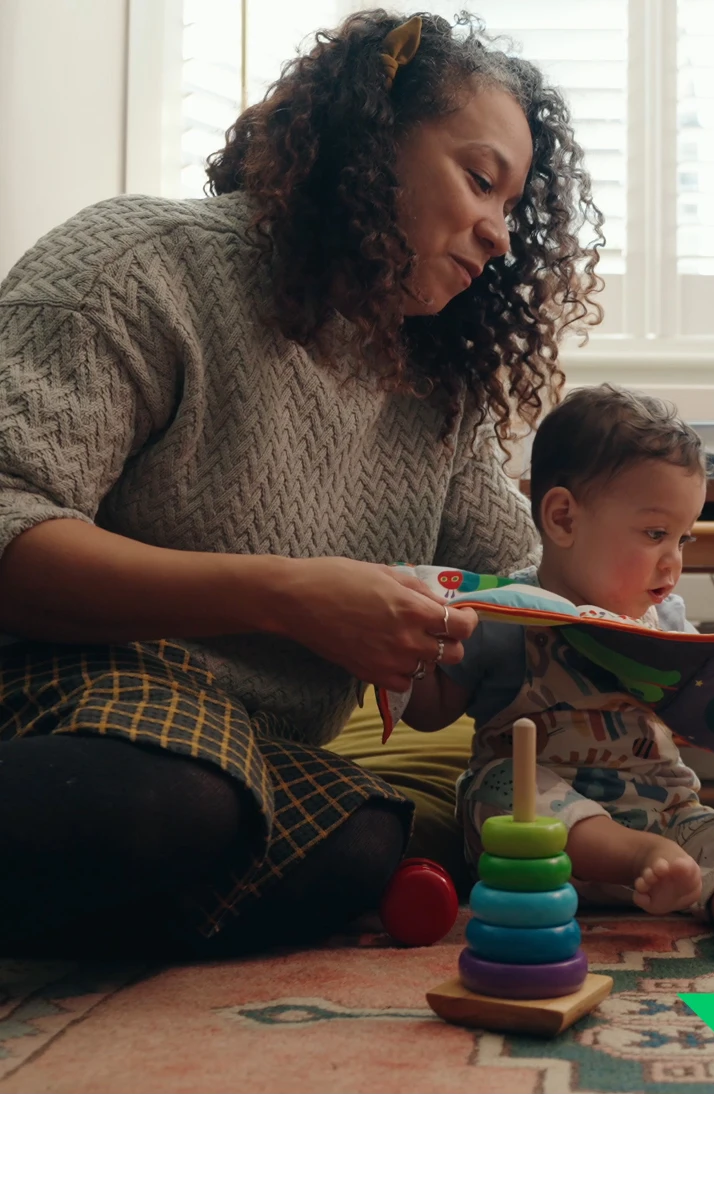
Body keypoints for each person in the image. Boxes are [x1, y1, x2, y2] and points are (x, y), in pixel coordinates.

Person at [0, 11, 603, 958]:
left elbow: (527, 584)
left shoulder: (437, 384)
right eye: (480, 180)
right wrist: (288, 595)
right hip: (63, 683)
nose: (498, 233)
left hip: (243, 750)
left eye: (513, 207)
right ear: (371, 141)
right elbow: (10, 526)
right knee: (182, 800)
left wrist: (677, 636)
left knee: (365, 840)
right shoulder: (142, 266)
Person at [403, 385, 714, 964]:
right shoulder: (506, 614)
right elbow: (429, 714)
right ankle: (635, 857)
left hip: (667, 821)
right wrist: (413, 652)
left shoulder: (668, 624)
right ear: (563, 518)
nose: (674, 560)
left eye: (683, 537)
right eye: (655, 534)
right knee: (500, 786)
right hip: (543, 840)